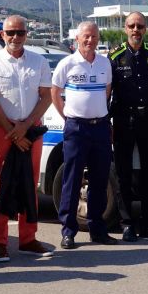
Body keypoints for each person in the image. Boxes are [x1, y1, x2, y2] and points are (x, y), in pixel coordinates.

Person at [0, 15, 54, 261]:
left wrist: (25, 127)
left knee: (29, 184)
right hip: (4, 131)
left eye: (20, 33)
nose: (15, 37)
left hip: (31, 131)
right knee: (1, 185)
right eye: (10, 33)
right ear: (2, 35)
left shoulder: (39, 61)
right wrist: (13, 131)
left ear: (26, 34)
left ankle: (28, 239)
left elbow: (46, 97)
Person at [52, 21, 116, 249]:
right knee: (72, 179)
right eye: (86, 37)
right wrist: (68, 117)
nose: (91, 41)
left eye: (94, 37)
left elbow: (106, 92)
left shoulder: (104, 63)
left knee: (100, 179)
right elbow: (55, 92)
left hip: (100, 127)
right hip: (76, 128)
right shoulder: (67, 63)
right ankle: (68, 231)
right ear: (77, 39)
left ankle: (97, 229)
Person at [108, 12, 148, 242]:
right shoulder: (115, 56)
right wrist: (108, 122)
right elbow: (108, 93)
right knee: (122, 174)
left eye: (140, 26)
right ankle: (127, 224)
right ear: (125, 29)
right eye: (132, 26)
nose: (136, 30)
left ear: (146, 28)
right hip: (123, 120)